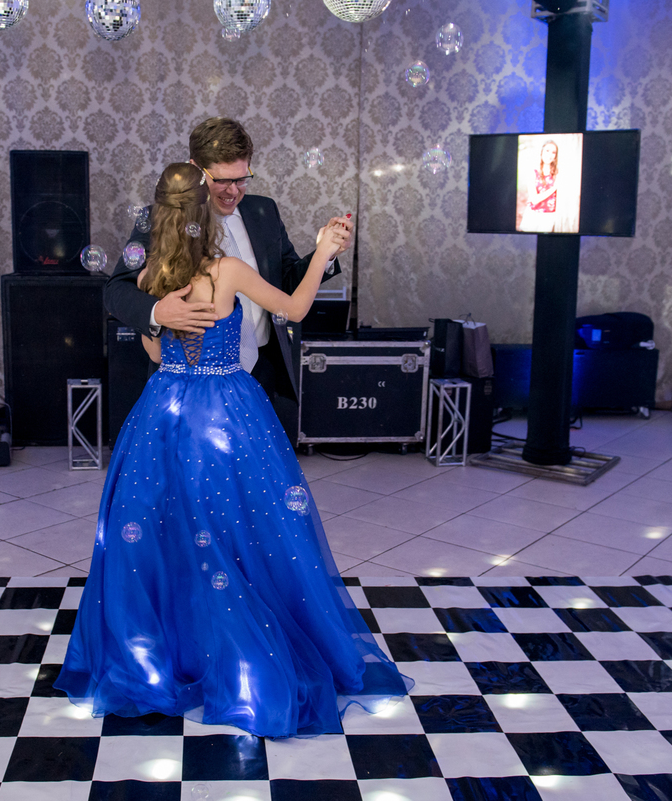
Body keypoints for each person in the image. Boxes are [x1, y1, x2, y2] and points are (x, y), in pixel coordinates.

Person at [55, 163, 412, 739]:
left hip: (163, 411)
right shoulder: (227, 270)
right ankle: (235, 650)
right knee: (234, 527)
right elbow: (295, 309)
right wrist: (324, 250)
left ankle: (169, 653)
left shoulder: (151, 279)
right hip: (224, 410)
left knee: (163, 528)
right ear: (204, 216)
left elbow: (154, 355)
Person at [104, 117, 350, 438]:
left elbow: (287, 279)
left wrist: (325, 255)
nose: (233, 191)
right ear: (195, 169)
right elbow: (116, 290)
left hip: (263, 369)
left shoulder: (265, 211)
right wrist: (157, 313)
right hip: (189, 382)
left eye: (242, 179)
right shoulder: (162, 216)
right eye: (222, 180)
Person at [520, 139, 559, 233]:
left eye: (553, 152)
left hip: (549, 216)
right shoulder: (533, 171)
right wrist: (554, 188)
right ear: (541, 152)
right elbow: (534, 199)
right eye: (547, 150)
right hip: (533, 214)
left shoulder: (557, 173)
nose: (550, 155)